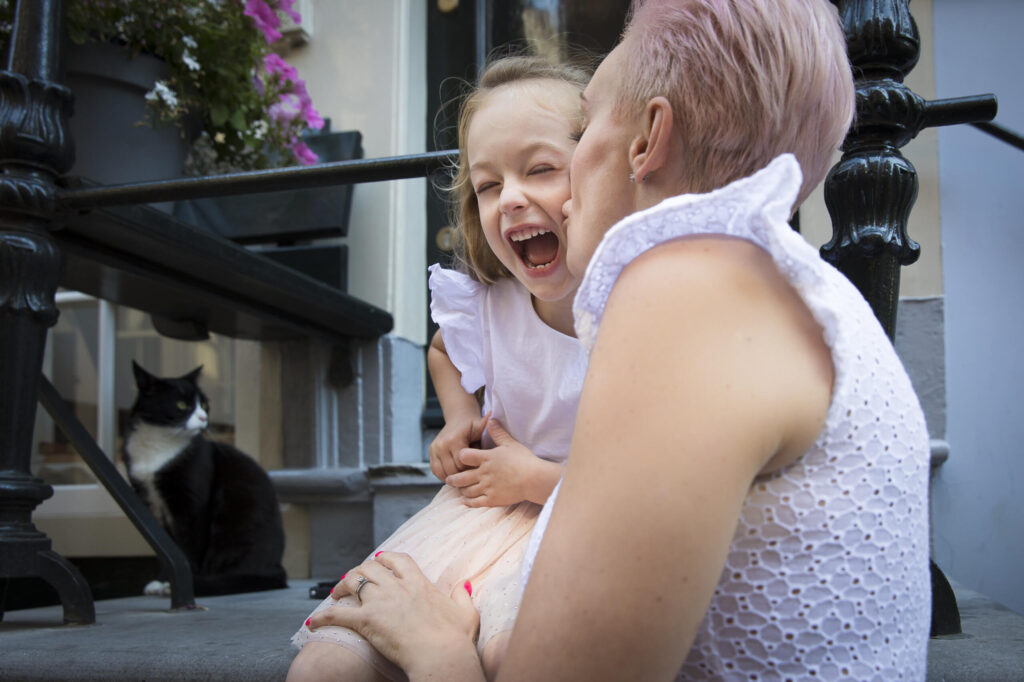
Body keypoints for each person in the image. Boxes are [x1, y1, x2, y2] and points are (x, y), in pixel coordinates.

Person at [304, 0, 933, 680]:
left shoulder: (683, 290)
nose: (561, 188)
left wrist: (437, 649)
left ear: (647, 140)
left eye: (590, 121)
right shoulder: (789, 286)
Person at [287, 56, 591, 682]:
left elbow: (642, 484)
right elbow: (442, 350)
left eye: (539, 169)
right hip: (481, 512)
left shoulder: (641, 306)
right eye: (487, 185)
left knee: (516, 653)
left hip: (581, 512)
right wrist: (459, 417)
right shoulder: (488, 302)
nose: (510, 198)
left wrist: (536, 478)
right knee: (326, 667)